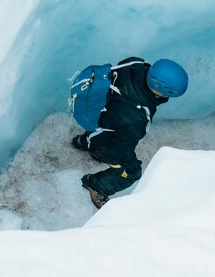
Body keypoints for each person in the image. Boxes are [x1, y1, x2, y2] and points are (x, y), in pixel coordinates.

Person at [71, 57, 188, 208]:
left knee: (105, 125)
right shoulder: (137, 118)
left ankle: (83, 142)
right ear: (163, 91)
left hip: (101, 109)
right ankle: (95, 185)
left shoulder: (135, 64)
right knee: (131, 172)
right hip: (106, 133)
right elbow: (119, 150)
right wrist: (115, 159)